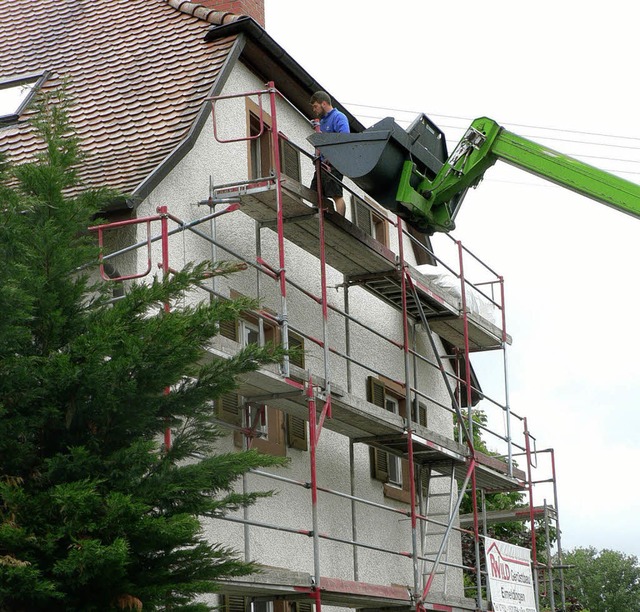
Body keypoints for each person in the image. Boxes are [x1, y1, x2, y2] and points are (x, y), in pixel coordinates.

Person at [309, 91, 350, 216]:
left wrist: (323, 137)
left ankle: (340, 220)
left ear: (324, 103)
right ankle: (320, 216)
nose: (314, 110)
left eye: (316, 106)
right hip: (322, 163)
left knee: (335, 193)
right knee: (315, 191)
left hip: (334, 162)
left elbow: (344, 138)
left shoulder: (339, 117)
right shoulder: (322, 122)